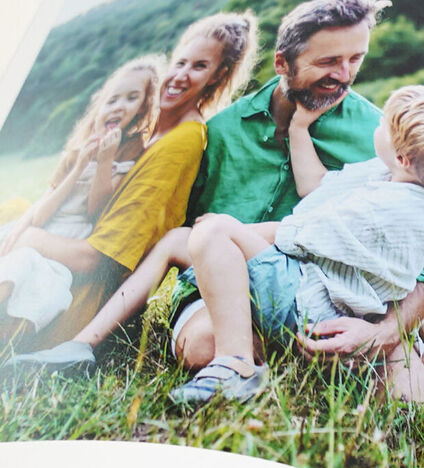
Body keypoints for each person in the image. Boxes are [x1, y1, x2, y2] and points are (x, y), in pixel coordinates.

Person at [13, 0, 424, 399]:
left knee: (408, 392)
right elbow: (156, 228)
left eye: (355, 59)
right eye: (329, 61)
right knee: (204, 345)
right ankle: (244, 360)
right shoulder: (218, 133)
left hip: (329, 293)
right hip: (227, 281)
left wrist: (385, 330)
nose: (344, 76)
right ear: (283, 63)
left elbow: (422, 258)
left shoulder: (380, 136)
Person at [161, 85, 424, 405]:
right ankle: (242, 360)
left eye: (384, 124)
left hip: (318, 304)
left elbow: (297, 238)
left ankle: (237, 367)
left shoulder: (387, 210)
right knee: (202, 340)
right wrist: (300, 129)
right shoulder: (398, 180)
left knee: (213, 231)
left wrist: (235, 233)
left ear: (404, 158)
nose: (376, 122)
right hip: (340, 304)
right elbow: (320, 185)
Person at [0, 12, 258, 355]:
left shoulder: (183, 142)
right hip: (56, 261)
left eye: (198, 67)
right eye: (180, 61)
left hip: (74, 297)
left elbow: (99, 260)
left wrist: (31, 237)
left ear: (218, 77)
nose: (180, 75)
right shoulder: (143, 131)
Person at [0, 57, 159, 338]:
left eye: (131, 98)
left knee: (28, 274)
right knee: (15, 259)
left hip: (63, 247)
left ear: (143, 109)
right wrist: (78, 167)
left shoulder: (129, 159)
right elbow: (40, 215)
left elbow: (96, 210)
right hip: (42, 231)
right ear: (100, 107)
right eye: (112, 100)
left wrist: (104, 161)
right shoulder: (75, 153)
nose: (118, 106)